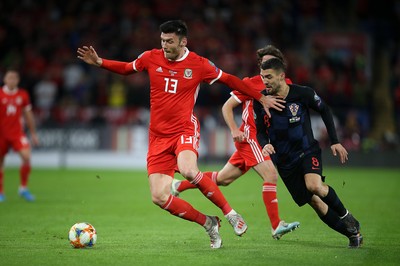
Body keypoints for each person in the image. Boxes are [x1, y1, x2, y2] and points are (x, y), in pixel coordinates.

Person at [77, 20, 285, 249]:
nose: (165, 45)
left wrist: (260, 97)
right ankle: (208, 223)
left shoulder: (199, 64)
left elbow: (230, 80)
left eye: (170, 41)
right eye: (162, 41)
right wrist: (99, 62)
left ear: (183, 41)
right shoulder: (150, 57)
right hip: (157, 136)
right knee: (159, 197)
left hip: (184, 128)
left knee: (188, 170)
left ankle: (230, 214)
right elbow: (127, 68)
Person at [171, 45, 300, 240]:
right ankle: (276, 225)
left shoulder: (286, 85)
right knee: (271, 175)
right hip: (250, 138)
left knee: (223, 179)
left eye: (270, 61)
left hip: (262, 140)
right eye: (263, 62)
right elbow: (227, 107)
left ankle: (178, 186)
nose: (265, 65)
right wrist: (234, 129)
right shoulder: (250, 83)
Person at [253, 57, 363, 248]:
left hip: (306, 151)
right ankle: (353, 234)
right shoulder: (261, 101)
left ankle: (346, 215)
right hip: (285, 162)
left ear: (281, 76)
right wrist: (264, 144)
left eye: (269, 77)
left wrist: (335, 141)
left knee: (314, 186)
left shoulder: (302, 94)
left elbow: (325, 110)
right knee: (316, 203)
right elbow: (260, 132)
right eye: (263, 77)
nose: (265, 81)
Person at [0, 70, 39, 202]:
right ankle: (1, 192)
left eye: (14, 78)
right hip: (1, 134)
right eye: (9, 78)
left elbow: (28, 115)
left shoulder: (23, 95)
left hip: (17, 133)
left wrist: (33, 133)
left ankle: (23, 188)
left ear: (18, 80)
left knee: (26, 157)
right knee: (0, 162)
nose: (12, 80)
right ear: (5, 80)